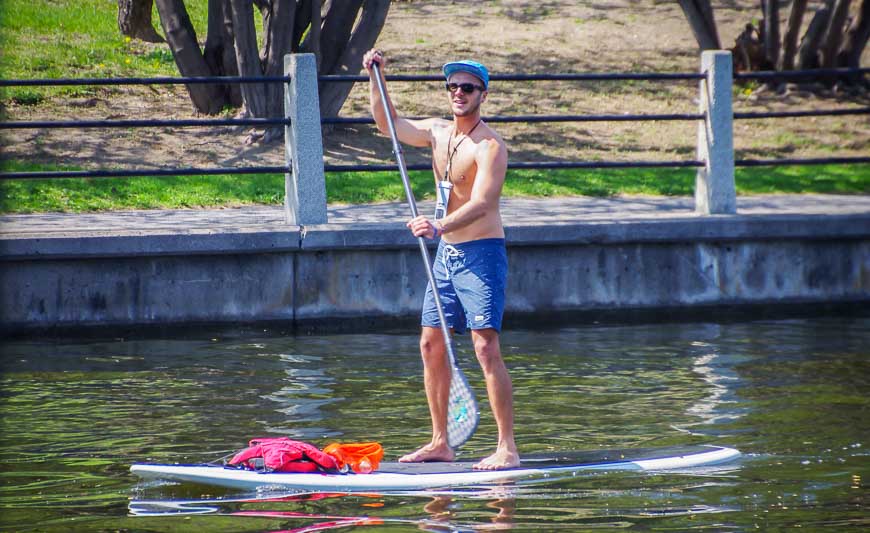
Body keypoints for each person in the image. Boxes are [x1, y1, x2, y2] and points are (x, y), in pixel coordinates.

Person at [363, 49, 519, 471]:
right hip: (447, 256)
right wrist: (376, 78)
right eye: (452, 87)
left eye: (467, 88)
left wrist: (438, 227)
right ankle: (440, 442)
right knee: (431, 343)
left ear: (482, 94)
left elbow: (485, 203)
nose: (458, 94)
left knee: (485, 347)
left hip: (482, 254)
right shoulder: (436, 132)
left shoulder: (490, 146)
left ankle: (507, 446)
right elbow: (387, 125)